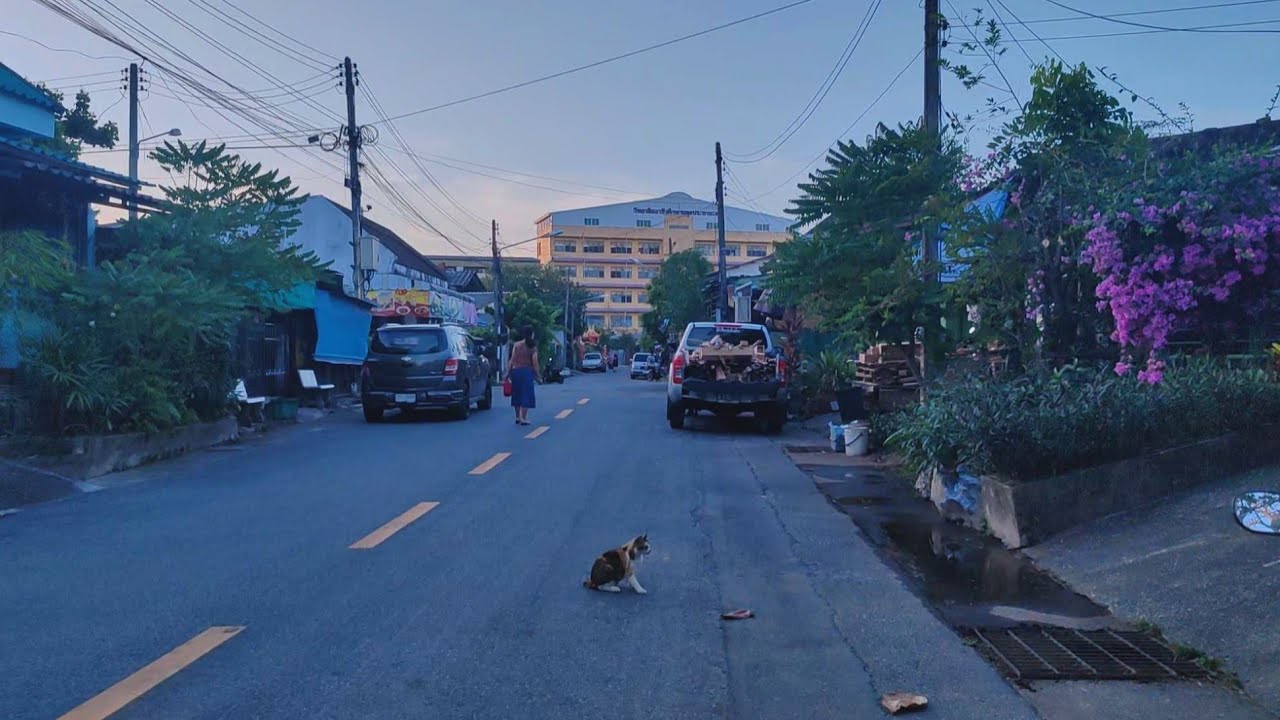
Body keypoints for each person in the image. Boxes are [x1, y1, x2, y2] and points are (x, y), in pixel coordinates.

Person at [505, 326, 540, 425]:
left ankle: (517, 417)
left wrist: (507, 373)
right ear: (531, 334)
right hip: (526, 372)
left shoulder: (516, 345)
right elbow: (535, 363)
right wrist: (538, 375)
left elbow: (512, 360)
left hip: (515, 372)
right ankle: (523, 417)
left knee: (517, 394)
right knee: (526, 395)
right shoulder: (532, 347)